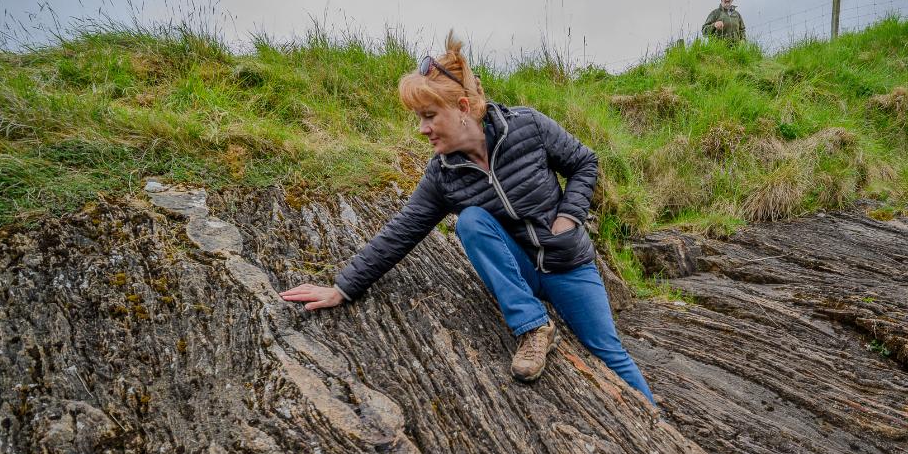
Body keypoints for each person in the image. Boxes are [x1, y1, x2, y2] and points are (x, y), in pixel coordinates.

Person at [279, 33, 655, 405]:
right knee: (471, 220)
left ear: (462, 107)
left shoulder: (528, 126)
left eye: (429, 116)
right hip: (519, 267)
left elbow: (584, 162)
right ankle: (534, 327)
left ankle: (656, 424)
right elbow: (401, 231)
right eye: (419, 118)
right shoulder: (443, 174)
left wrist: (569, 216)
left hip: (566, 263)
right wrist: (343, 288)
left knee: (608, 350)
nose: (422, 128)